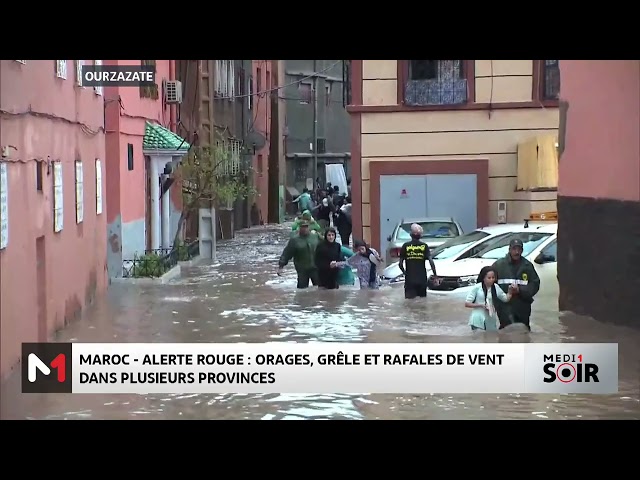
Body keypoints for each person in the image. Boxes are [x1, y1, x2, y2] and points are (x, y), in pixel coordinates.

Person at [492, 238, 541, 330]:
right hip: (504, 308)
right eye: (514, 249)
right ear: (509, 249)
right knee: (506, 333)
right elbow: (490, 285)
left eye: (519, 249)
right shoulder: (498, 265)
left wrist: (520, 290)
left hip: (522, 306)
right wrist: (494, 303)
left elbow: (535, 284)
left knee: (523, 332)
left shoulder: (527, 266)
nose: (517, 252)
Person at [465, 266, 513, 331]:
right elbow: (467, 304)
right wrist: (481, 305)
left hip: (490, 319)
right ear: (483, 278)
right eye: (489, 278)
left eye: (493, 278)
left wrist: (510, 291)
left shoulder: (496, 287)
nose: (491, 280)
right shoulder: (477, 287)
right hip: (477, 319)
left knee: (491, 338)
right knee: (479, 338)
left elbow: (505, 299)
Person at [398, 223, 439, 299]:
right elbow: (431, 261)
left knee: (409, 305)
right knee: (422, 304)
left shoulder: (405, 246)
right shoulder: (424, 246)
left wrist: (406, 274)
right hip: (422, 280)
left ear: (410, 234)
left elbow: (400, 264)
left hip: (410, 281)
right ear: (420, 235)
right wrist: (435, 276)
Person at [278, 220, 320, 289]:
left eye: (306, 227)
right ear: (299, 228)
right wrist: (281, 266)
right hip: (302, 269)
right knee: (302, 290)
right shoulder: (294, 240)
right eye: (303, 227)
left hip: (315, 268)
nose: (305, 229)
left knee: (319, 288)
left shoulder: (315, 237)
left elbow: (323, 249)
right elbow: (287, 253)